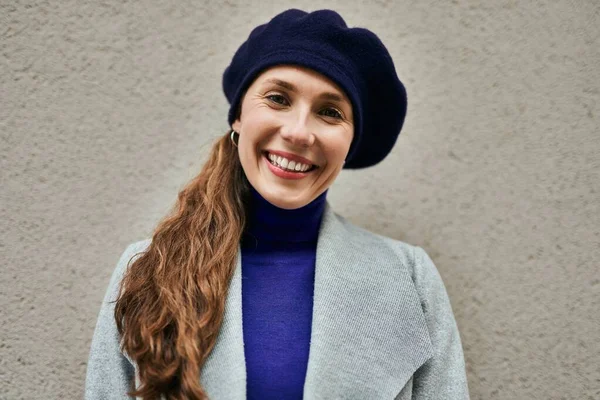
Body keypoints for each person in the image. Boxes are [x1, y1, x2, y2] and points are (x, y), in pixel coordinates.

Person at [85, 8, 470, 400]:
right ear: (238, 117)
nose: (299, 132)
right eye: (278, 98)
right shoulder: (150, 268)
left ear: (350, 143)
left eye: (330, 112)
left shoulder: (410, 278)